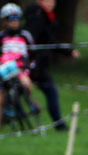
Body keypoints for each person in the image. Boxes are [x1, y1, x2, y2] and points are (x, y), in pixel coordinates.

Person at [23, 0, 79, 131]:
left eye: (52, 1)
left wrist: (68, 51)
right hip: (35, 65)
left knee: (16, 92)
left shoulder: (46, 16)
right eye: (47, 0)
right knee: (51, 92)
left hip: (38, 64)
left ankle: (58, 125)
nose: (51, 3)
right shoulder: (38, 17)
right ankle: (59, 126)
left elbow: (50, 41)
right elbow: (30, 38)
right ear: (39, 1)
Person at [0, 2, 35, 127]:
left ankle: (32, 102)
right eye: (10, 18)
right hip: (4, 70)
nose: (14, 21)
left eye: (16, 18)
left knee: (26, 83)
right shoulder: (2, 36)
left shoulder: (25, 35)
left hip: (20, 68)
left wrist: (30, 67)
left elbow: (33, 53)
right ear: (5, 21)